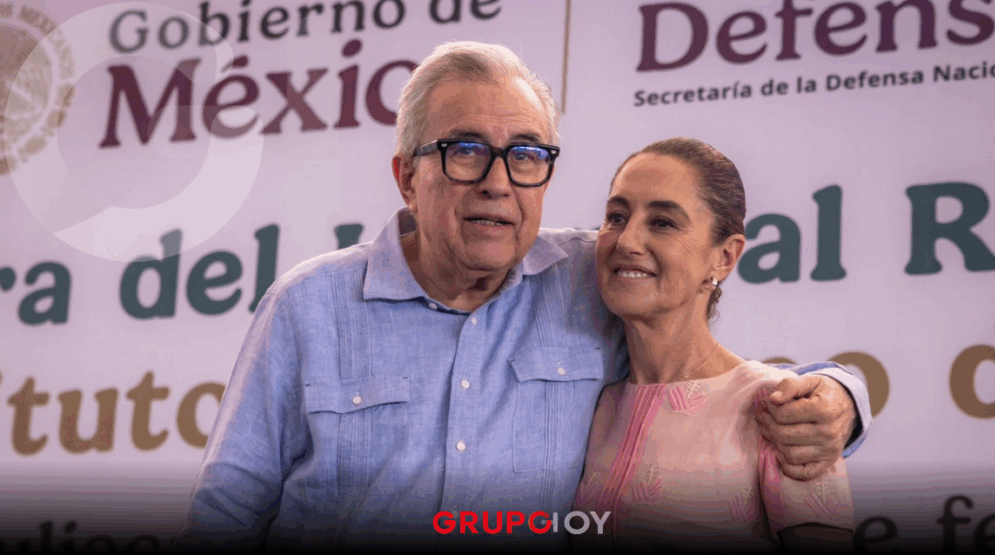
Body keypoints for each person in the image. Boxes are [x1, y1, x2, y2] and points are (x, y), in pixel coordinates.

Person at [174, 42, 871, 550]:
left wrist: (842, 395)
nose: (498, 183)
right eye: (465, 149)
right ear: (407, 177)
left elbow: (714, 366)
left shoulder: (593, 274)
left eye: (527, 155)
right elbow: (225, 513)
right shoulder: (308, 305)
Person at [572, 138, 854, 550]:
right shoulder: (597, 406)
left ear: (724, 257)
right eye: (616, 216)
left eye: (663, 222)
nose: (626, 241)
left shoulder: (785, 412)